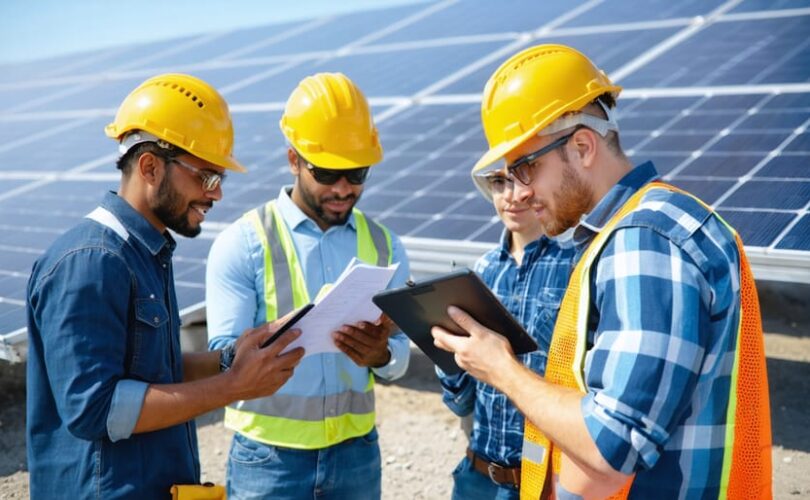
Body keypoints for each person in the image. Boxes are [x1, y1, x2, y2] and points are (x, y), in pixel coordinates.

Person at [431, 44, 772, 499]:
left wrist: (501, 369)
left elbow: (614, 443)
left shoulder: (646, 240)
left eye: (528, 167)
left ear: (583, 146)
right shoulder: (634, 233)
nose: (521, 191)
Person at [26, 73, 306, 500]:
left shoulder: (144, 253)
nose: (216, 196)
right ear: (150, 167)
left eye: (220, 180)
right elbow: (95, 410)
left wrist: (231, 359)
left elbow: (154, 369)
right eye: (207, 178)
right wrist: (233, 387)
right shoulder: (91, 262)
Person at [205, 72, 411, 500]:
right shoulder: (243, 243)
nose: (343, 188)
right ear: (294, 160)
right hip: (269, 461)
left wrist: (383, 354)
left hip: (356, 454)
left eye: (356, 173)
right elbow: (221, 357)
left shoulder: (385, 245)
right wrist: (268, 345)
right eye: (328, 171)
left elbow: (401, 353)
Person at [435, 159, 574, 498]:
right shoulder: (480, 273)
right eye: (499, 183)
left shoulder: (575, 266)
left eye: (518, 181)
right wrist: (445, 357)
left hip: (544, 482)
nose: (511, 196)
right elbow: (463, 401)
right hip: (477, 478)